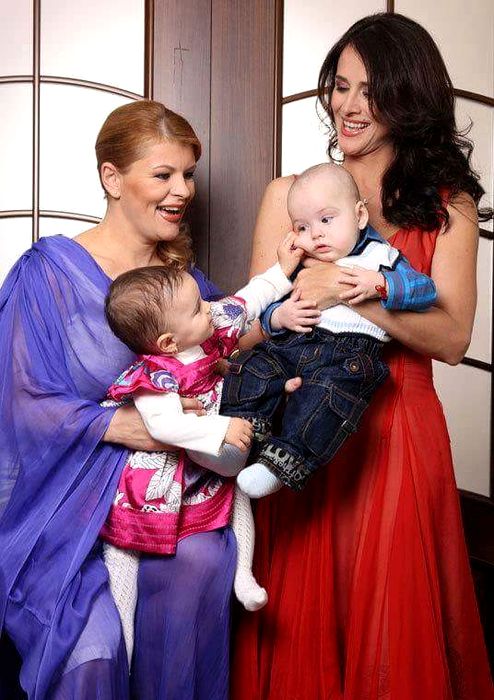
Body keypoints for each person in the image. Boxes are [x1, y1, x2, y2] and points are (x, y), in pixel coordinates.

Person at [232, 13, 494, 700]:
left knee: (394, 628)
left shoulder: (449, 208)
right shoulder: (289, 196)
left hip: (398, 433)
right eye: (340, 85)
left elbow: (454, 338)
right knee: (302, 619)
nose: (348, 106)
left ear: (408, 98)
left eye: (370, 91)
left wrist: (350, 293)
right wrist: (288, 308)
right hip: (303, 425)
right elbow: (247, 333)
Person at [0, 100, 237, 699]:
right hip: (66, 507)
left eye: (188, 174)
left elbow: (226, 357)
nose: (183, 190)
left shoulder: (186, 287)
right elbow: (20, 403)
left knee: (201, 563)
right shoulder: (48, 272)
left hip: (162, 497)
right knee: (93, 648)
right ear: (112, 177)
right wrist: (120, 425)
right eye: (163, 174)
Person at [99, 235, 301, 657]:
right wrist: (220, 429)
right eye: (197, 308)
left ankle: (243, 575)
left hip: (205, 460)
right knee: (124, 551)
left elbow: (246, 302)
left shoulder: (205, 331)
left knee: (238, 491)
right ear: (168, 343)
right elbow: (166, 425)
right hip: (157, 472)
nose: (209, 307)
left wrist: (282, 270)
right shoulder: (154, 378)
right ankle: (124, 639)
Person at [222, 163, 436, 497]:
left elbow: (425, 290)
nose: (316, 234)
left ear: (360, 216)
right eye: (303, 227)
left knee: (325, 398)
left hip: (346, 357)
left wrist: (381, 284)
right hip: (292, 346)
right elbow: (266, 313)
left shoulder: (382, 257)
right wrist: (280, 316)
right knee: (252, 365)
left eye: (326, 220)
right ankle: (239, 434)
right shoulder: (300, 263)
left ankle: (284, 460)